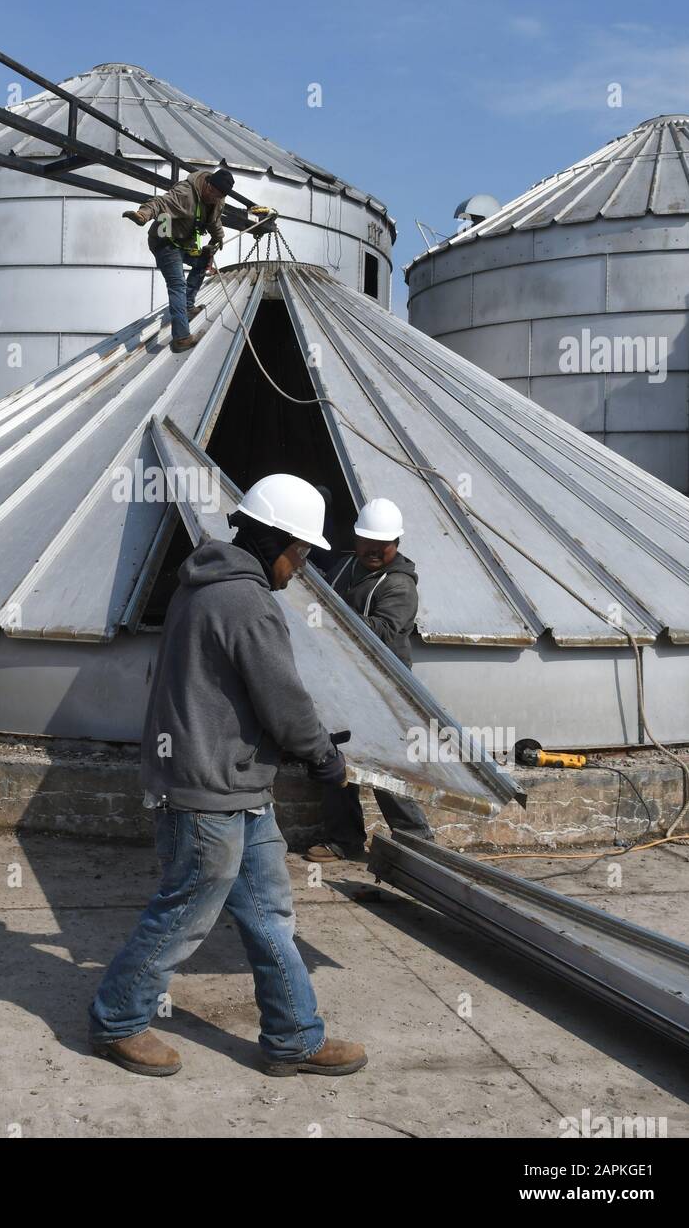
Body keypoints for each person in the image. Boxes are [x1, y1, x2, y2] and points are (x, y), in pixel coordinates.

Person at [89, 473, 367, 1079]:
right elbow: (286, 704)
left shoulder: (201, 584)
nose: (301, 568)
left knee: (269, 915)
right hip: (208, 790)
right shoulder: (244, 600)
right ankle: (117, 1020)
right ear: (276, 541)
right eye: (301, 553)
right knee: (185, 912)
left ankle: (293, 1036)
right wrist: (327, 762)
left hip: (235, 786)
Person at [306, 497, 434, 862]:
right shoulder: (347, 564)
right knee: (333, 761)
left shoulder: (399, 586)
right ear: (356, 538)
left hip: (382, 690)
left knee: (384, 766)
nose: (374, 550)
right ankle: (344, 840)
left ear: (397, 543)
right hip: (342, 682)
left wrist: (330, 614)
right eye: (367, 542)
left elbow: (384, 632)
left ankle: (416, 841)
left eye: (383, 545)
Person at [122, 168, 233, 353]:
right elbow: (160, 203)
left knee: (204, 259)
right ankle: (181, 338)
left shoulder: (217, 200)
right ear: (207, 184)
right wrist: (143, 214)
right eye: (213, 193)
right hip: (165, 243)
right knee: (177, 284)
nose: (214, 198)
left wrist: (218, 237)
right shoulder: (185, 193)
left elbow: (214, 220)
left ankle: (188, 307)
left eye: (219, 196)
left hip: (184, 243)